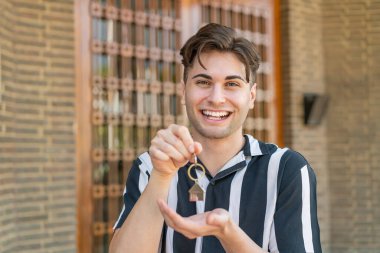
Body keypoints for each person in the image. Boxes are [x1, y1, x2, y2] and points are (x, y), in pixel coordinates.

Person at [109, 23, 321, 253]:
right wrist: (161, 176)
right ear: (183, 91)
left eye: (231, 84)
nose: (216, 98)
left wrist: (227, 233)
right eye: (203, 82)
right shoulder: (150, 166)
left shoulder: (285, 170)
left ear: (251, 96)